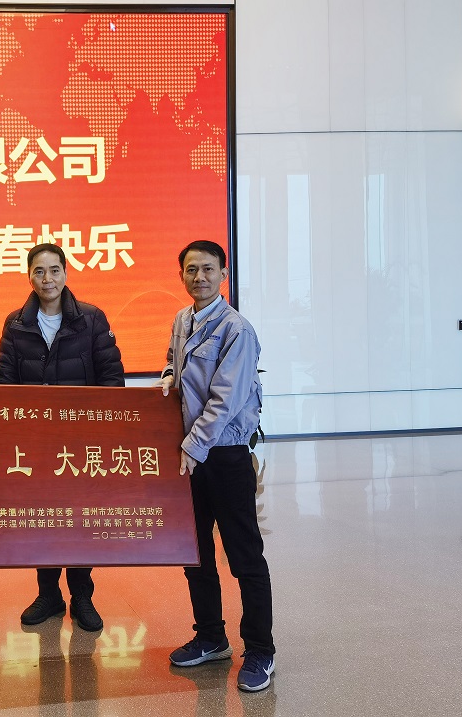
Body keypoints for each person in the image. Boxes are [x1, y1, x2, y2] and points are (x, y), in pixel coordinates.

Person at [156, 239, 275, 692]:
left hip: (222, 455)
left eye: (208, 269)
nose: (199, 277)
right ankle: (211, 637)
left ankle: (260, 650)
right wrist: (169, 375)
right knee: (196, 552)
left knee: (244, 556)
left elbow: (225, 400)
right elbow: (174, 361)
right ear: (181, 275)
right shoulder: (182, 319)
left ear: (223, 274)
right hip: (191, 455)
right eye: (191, 269)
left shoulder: (236, 330)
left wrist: (193, 446)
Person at [0, 243, 124, 632]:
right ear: (29, 276)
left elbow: (111, 376)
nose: (47, 278)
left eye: (54, 270)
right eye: (39, 271)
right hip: (35, 443)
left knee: (82, 518)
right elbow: (5, 384)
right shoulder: (16, 323)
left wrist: (102, 432)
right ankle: (48, 595)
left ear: (66, 274)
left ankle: (82, 596)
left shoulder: (91, 318)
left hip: (82, 442)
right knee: (42, 518)